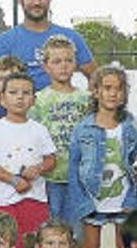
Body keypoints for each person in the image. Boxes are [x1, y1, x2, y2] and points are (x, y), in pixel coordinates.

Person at [68, 66, 137, 248]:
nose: (113, 93)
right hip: (93, 199)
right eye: (107, 88)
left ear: (124, 94)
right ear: (96, 91)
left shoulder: (130, 126)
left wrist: (135, 197)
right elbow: (74, 165)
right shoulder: (83, 127)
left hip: (123, 199)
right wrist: (79, 199)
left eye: (118, 88)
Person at [0, 72, 56, 248]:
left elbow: (51, 159)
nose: (20, 97)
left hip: (36, 199)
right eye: (13, 92)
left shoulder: (39, 129)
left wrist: (38, 168)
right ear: (3, 99)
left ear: (33, 99)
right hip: (6, 200)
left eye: (26, 92)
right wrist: (13, 180)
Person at [0, 0, 96, 90]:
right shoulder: (4, 42)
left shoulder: (71, 37)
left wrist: (85, 104)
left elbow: (95, 77)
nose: (37, 2)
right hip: (21, 109)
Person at [27, 35, 90, 224]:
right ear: (46, 66)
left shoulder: (86, 98)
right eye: (56, 61)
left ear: (75, 63)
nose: (63, 66)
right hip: (49, 178)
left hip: (79, 177)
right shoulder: (38, 100)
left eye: (68, 60)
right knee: (51, 228)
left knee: (77, 232)